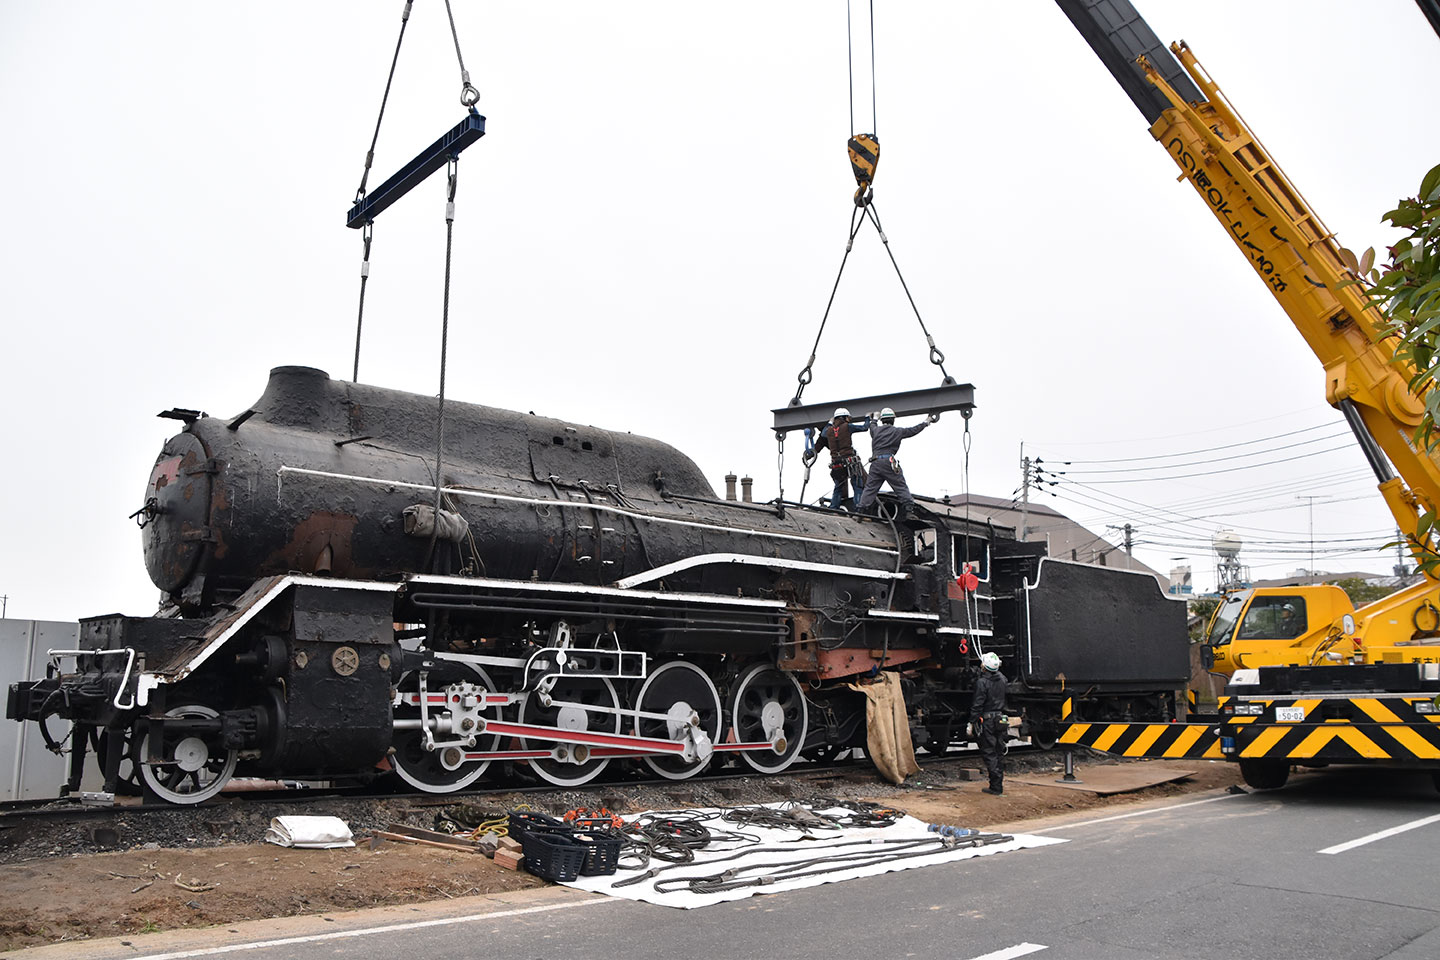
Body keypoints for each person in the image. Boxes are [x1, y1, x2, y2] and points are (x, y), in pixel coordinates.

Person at [855, 407, 938, 519]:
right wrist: (926, 422)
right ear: (893, 420)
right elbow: (913, 430)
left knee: (870, 488)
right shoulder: (897, 431)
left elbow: (872, 425)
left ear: (882, 420)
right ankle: (909, 510)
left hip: (875, 463)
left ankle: (860, 512)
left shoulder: (876, 431)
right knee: (900, 485)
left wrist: (874, 418)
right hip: (888, 462)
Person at [813, 408, 871, 511]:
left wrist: (830, 422)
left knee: (838, 487)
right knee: (857, 486)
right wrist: (867, 417)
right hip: (850, 461)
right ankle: (858, 509)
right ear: (844, 417)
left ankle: (833, 508)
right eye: (848, 417)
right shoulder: (848, 427)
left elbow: (823, 434)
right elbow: (865, 428)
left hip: (837, 463)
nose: (849, 419)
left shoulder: (828, 431)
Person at [969, 651, 1007, 795]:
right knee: (998, 752)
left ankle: (996, 787)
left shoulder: (982, 682)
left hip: (988, 721)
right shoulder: (1003, 679)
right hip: (999, 720)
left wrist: (972, 721)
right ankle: (998, 784)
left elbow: (977, 704)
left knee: (989, 752)